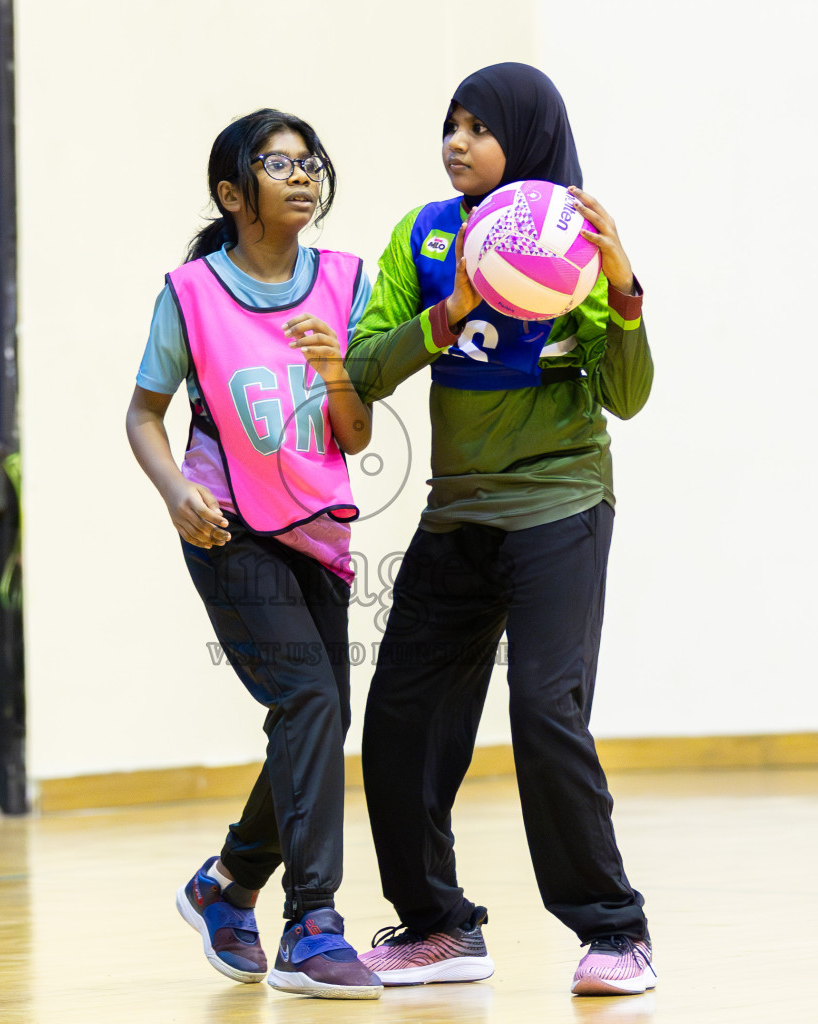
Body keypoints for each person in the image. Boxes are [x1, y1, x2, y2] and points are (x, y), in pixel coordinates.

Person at [343, 63, 657, 996]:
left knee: (543, 711)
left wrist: (626, 287)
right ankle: (440, 926)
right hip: (457, 512)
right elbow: (362, 368)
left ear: (526, 136)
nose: (456, 142)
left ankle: (616, 932)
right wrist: (450, 312)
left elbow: (627, 398)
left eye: (478, 127)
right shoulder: (425, 235)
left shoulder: (575, 236)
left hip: (560, 504)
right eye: (451, 124)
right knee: (398, 718)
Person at [124, 108, 381, 999]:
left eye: (310, 161)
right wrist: (173, 491)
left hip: (318, 527)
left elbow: (354, 433)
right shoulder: (191, 292)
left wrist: (340, 370)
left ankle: (226, 885)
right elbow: (143, 414)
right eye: (278, 165)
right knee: (309, 700)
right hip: (226, 524)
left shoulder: (347, 282)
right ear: (234, 194)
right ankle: (313, 926)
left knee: (316, 720)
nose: (302, 175)